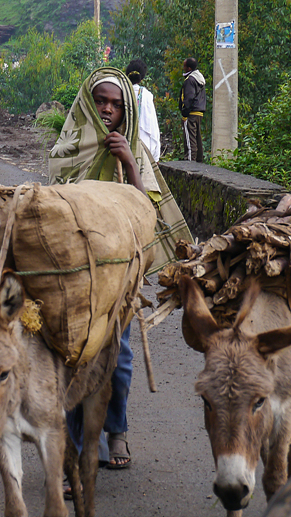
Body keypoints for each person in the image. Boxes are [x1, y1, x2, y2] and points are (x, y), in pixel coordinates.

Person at [49, 67, 193, 474]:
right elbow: (57, 199)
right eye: (101, 101)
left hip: (121, 274)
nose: (108, 110)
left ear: (127, 110)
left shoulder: (134, 153)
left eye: (116, 104)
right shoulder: (68, 145)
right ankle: (72, 451)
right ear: (88, 104)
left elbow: (146, 211)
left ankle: (116, 429)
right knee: (74, 355)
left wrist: (128, 162)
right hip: (77, 273)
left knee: (121, 355)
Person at [125, 59, 161, 162]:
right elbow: (153, 126)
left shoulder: (122, 92)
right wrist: (156, 155)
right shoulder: (147, 96)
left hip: (124, 146)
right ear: (142, 78)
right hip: (144, 148)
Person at [179, 57, 206, 162]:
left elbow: (189, 97)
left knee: (190, 140)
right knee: (197, 139)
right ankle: (199, 162)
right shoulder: (199, 79)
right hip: (199, 112)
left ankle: (190, 164)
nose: (183, 67)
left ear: (189, 68)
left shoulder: (190, 80)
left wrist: (185, 114)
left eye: (184, 66)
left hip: (191, 113)